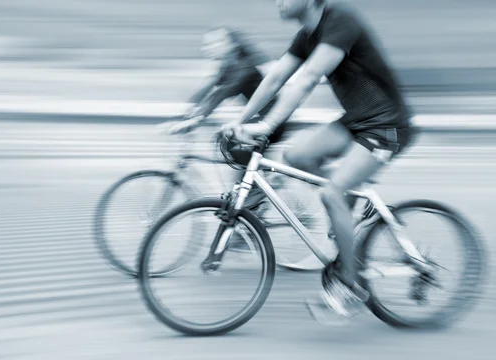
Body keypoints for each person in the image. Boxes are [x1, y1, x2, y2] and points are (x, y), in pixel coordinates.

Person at [223, 0, 415, 324]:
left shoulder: (341, 21)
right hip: (356, 121)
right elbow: (273, 80)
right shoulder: (306, 35)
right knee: (297, 157)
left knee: (330, 194)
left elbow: (309, 76)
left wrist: (267, 126)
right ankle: (352, 200)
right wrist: (240, 121)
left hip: (386, 125)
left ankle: (350, 286)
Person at [168, 26, 289, 209]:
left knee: (228, 140)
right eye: (207, 44)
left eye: (215, 43)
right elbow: (208, 88)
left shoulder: (245, 65)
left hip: (273, 122)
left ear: (231, 45)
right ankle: (251, 201)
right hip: (259, 120)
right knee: (234, 156)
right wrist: (185, 113)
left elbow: (225, 91)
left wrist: (197, 118)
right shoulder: (228, 65)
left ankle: (259, 187)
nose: (208, 48)